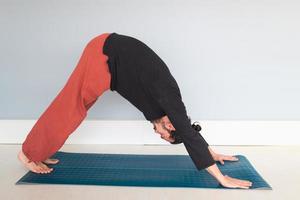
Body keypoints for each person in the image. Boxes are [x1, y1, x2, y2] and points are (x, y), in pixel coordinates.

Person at [18, 32, 252, 189]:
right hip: (104, 54)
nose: (158, 134)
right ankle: (28, 154)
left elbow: (188, 128)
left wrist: (212, 153)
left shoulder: (170, 110)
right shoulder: (170, 99)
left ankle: (41, 150)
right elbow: (187, 132)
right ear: (170, 126)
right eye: (165, 136)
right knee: (71, 106)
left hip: (110, 64)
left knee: (77, 108)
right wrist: (221, 178)